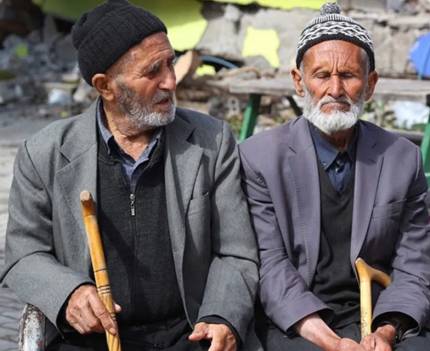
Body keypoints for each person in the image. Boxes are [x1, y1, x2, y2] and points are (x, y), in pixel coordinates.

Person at [1, 1, 259, 350]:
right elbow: (23, 254)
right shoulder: (44, 153)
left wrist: (222, 315)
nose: (171, 81)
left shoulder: (212, 141)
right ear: (106, 86)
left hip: (190, 331)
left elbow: (237, 252)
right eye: (153, 71)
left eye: (171, 62)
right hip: (89, 339)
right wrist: (69, 293)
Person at [239, 3, 430, 351]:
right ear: (299, 82)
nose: (335, 89)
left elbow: (416, 266)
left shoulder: (401, 158)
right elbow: (270, 267)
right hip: (299, 322)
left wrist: (384, 332)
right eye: (321, 75)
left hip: (379, 316)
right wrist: (331, 342)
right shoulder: (260, 158)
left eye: (349, 76)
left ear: (370, 84)